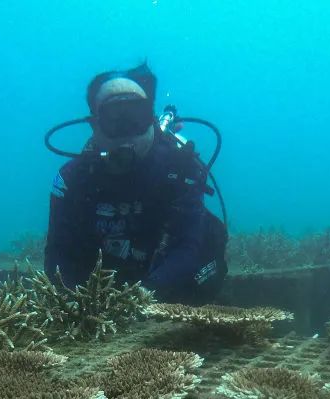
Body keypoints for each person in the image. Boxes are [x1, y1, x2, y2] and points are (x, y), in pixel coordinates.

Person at [44, 63, 228, 305]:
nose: (127, 129)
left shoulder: (181, 167)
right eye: (114, 118)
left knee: (208, 248)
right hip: (103, 288)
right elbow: (58, 252)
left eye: (136, 116)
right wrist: (75, 305)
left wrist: (144, 296)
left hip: (167, 282)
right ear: (94, 124)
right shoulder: (73, 179)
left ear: (151, 119)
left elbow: (188, 244)